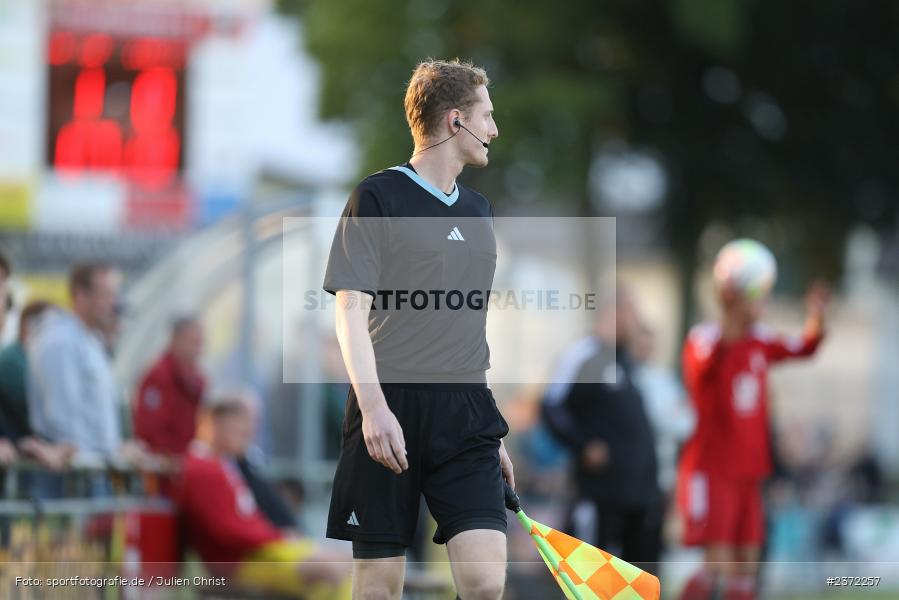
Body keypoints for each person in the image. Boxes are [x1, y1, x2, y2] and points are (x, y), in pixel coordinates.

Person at [322, 59, 512, 599]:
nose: (495, 129)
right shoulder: (377, 197)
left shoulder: (479, 210)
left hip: (467, 416)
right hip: (389, 407)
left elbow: (466, 327)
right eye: (486, 115)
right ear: (456, 120)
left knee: (485, 584)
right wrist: (374, 409)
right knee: (379, 588)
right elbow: (349, 312)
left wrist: (487, 424)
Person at [676, 240, 829, 600]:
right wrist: (733, 307)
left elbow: (804, 347)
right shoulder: (703, 339)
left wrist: (817, 317)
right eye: (758, 292)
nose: (765, 301)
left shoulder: (761, 340)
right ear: (733, 295)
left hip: (750, 471)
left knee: (747, 566)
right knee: (716, 564)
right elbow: (707, 365)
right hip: (714, 469)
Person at [174, 390, 350, 599]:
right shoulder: (201, 468)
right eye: (238, 427)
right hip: (241, 561)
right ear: (215, 423)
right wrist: (277, 537)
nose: (247, 434)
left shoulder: (223, 463)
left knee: (345, 563)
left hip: (256, 553)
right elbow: (227, 529)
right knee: (333, 568)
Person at [541, 288, 661, 571]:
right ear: (615, 314)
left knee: (636, 579)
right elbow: (551, 407)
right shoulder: (585, 355)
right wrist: (583, 446)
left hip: (639, 496)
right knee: (594, 576)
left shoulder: (627, 363)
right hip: (601, 494)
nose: (635, 322)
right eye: (631, 314)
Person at [26, 262, 143, 462]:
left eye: (115, 295)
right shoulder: (61, 341)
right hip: (72, 472)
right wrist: (108, 453)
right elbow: (63, 421)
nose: (114, 304)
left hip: (91, 468)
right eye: (106, 295)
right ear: (80, 295)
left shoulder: (90, 340)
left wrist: (115, 448)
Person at [133, 315, 206, 457]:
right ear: (176, 340)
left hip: (183, 458)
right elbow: (149, 429)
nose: (199, 350)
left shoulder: (194, 378)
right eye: (194, 342)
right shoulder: (159, 375)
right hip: (162, 461)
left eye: (200, 343)